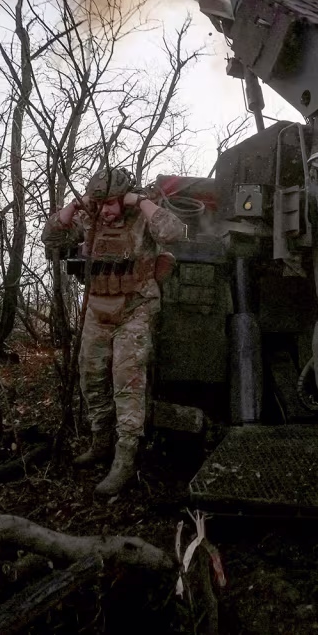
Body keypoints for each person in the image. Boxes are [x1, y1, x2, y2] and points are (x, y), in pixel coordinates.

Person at [42, 165, 186, 496]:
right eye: (100, 203)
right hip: (98, 311)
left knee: (127, 382)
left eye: (112, 203)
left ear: (124, 199)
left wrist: (141, 202)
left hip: (135, 309)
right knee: (90, 376)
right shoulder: (90, 219)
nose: (106, 210)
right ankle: (101, 442)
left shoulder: (141, 219)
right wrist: (76, 206)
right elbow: (51, 238)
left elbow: (175, 232)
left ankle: (125, 458)